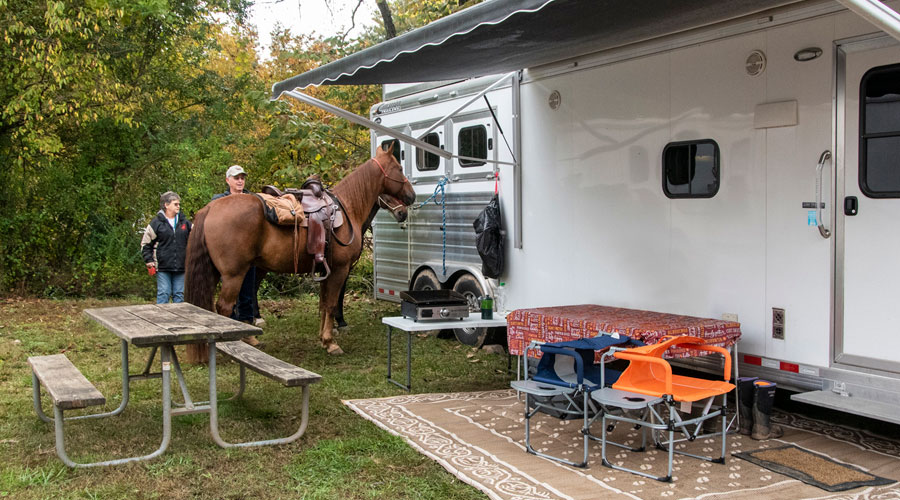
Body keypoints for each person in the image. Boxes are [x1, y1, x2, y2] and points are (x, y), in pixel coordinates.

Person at [212, 165, 265, 331]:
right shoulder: (219, 201)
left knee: (248, 293)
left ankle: (247, 329)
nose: (240, 180)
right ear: (228, 180)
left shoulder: (253, 200)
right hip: (229, 256)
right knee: (230, 291)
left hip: (250, 255)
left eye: (242, 177)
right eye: (236, 178)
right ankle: (231, 328)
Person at [141, 191, 192, 303]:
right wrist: (149, 260)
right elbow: (146, 244)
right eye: (175, 204)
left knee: (179, 295)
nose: (178, 206)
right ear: (166, 205)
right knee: (164, 293)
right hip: (162, 266)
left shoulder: (185, 223)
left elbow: (196, 240)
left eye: (179, 204)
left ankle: (178, 320)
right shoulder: (156, 223)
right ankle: (161, 320)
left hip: (181, 266)